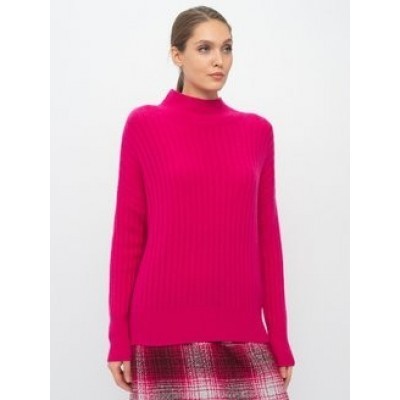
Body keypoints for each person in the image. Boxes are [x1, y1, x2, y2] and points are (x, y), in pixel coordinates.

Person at [106, 5, 295, 399]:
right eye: (204, 48)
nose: (218, 60)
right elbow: (128, 238)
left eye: (226, 48)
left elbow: (268, 242)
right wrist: (118, 338)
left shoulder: (256, 131)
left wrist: (279, 338)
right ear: (177, 55)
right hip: (161, 331)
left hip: (242, 331)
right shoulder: (145, 125)